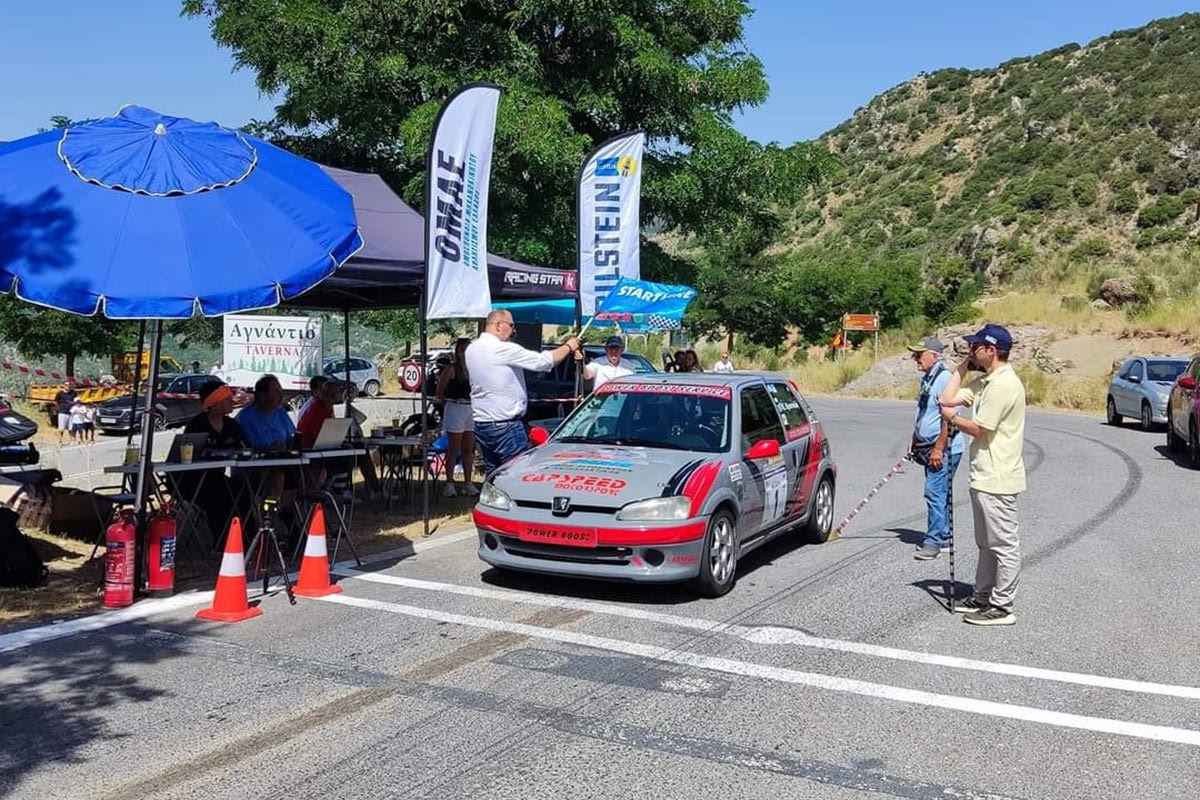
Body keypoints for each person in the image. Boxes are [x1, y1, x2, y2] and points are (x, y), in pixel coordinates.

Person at [939, 324, 1027, 627]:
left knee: (1003, 545)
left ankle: (1002, 606)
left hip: (998, 477)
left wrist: (954, 419)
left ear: (991, 350)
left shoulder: (1003, 385)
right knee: (986, 544)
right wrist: (964, 366)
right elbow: (946, 398)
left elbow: (980, 429)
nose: (971, 351)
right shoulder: (986, 382)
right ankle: (982, 595)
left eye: (975, 347)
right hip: (984, 475)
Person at [465, 309, 579, 473]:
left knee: (493, 474)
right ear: (499, 325)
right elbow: (544, 362)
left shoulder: (472, 349)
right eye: (511, 325)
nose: (514, 330)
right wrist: (569, 346)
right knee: (515, 474)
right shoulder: (502, 349)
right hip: (506, 426)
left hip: (482, 424)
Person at [907, 337, 965, 561]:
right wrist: (915, 437)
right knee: (940, 493)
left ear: (934, 356)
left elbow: (949, 418)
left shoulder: (945, 379)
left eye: (919, 354)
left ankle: (933, 542)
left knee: (934, 492)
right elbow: (924, 411)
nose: (915, 359)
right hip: (929, 445)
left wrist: (939, 448)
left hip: (944, 448)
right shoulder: (929, 378)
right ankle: (943, 537)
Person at [182, 381, 250, 539]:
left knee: (242, 492)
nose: (232, 401)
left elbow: (245, 448)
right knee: (219, 497)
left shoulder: (232, 425)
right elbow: (185, 455)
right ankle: (222, 540)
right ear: (214, 403)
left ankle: (245, 538)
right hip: (194, 481)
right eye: (227, 399)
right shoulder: (197, 425)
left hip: (219, 477)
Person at [436, 338, 478, 497]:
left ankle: (468, 483)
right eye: (462, 350)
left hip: (470, 408)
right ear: (457, 352)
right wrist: (446, 401)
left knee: (469, 448)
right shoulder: (451, 369)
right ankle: (449, 483)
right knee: (454, 447)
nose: (464, 354)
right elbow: (440, 390)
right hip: (455, 407)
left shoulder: (474, 369)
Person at [237, 374, 296, 451]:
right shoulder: (245, 417)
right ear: (262, 395)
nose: (281, 395)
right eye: (276, 392)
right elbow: (246, 448)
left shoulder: (280, 411)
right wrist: (268, 449)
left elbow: (293, 436)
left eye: (281, 391)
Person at [297, 377, 340, 449]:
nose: (335, 399)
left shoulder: (327, 407)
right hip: (310, 450)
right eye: (332, 395)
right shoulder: (314, 409)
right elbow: (323, 437)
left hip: (321, 448)